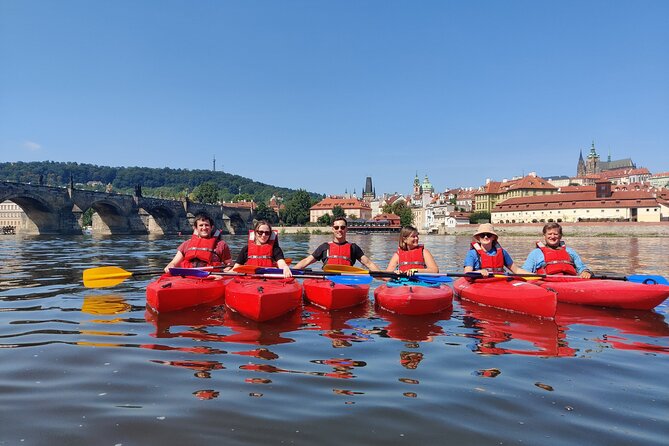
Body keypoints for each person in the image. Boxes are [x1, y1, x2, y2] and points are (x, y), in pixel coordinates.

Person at [293, 217, 380, 271]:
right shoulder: (324, 247)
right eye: (336, 227)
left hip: (347, 282)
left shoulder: (353, 247)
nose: (339, 230)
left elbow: (369, 264)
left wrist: (384, 277)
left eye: (342, 227)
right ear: (333, 229)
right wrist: (292, 272)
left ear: (346, 229)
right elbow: (306, 261)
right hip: (328, 281)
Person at [164, 212, 232, 273]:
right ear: (195, 228)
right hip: (188, 277)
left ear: (212, 227)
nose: (204, 228)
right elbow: (174, 262)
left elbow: (229, 264)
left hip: (212, 277)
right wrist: (170, 266)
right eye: (201, 225)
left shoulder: (221, 245)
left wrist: (227, 269)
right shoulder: (186, 244)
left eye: (207, 225)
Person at [522, 222, 592, 279]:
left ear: (560, 236)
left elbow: (581, 267)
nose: (552, 237)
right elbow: (525, 271)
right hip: (546, 284)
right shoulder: (536, 253)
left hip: (571, 282)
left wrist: (585, 272)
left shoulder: (570, 251)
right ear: (544, 236)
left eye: (555, 234)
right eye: (549, 234)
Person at [463, 223, 531, 276]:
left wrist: (534, 275)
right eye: (482, 235)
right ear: (478, 238)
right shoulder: (472, 253)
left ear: (493, 237)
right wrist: (479, 272)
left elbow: (516, 270)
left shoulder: (502, 252)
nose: (486, 237)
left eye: (489, 235)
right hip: (480, 282)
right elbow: (467, 272)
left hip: (499, 282)